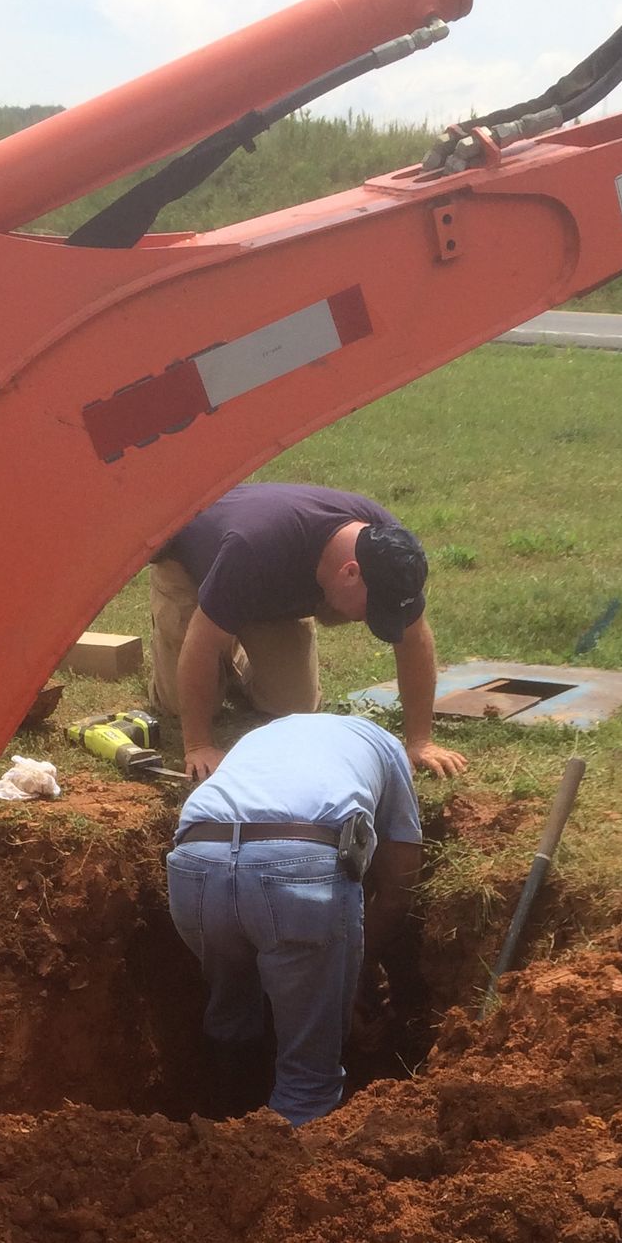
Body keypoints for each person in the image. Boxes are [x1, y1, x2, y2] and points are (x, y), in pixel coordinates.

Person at [166, 712, 423, 1127]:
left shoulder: (262, 737)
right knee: (309, 1079)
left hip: (196, 864)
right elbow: (398, 889)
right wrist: (352, 973)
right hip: (298, 870)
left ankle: (219, 1127)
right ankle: (282, 1183)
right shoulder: (388, 748)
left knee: (233, 1008)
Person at [149, 482, 469, 784]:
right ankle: (221, 638)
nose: (367, 621)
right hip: (192, 568)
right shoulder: (253, 546)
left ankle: (232, 645)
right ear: (350, 572)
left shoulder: (391, 552)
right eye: (371, 610)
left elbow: (414, 639)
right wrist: (199, 746)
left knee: (293, 707)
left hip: (271, 590)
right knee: (180, 702)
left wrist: (420, 741)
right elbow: (201, 642)